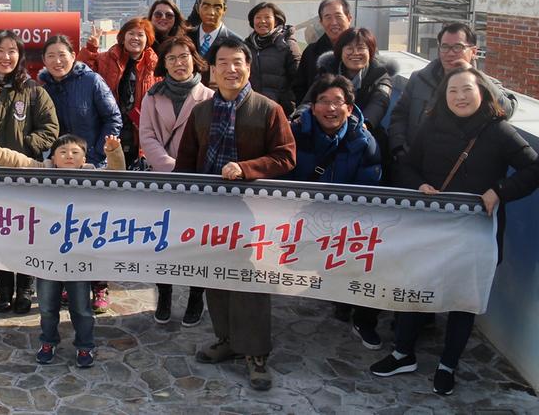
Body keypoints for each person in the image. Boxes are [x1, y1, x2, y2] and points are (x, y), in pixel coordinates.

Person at [371, 67, 538, 396]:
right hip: (431, 228)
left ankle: (448, 365)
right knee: (415, 289)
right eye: (453, 91)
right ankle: (403, 352)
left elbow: (534, 167)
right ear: (443, 97)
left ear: (483, 93)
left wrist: (500, 191)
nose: (460, 97)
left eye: (467, 90)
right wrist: (418, 184)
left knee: (463, 300)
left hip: (475, 233)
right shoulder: (431, 126)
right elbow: (405, 164)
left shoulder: (499, 131)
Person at [174, 36, 296, 392]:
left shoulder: (267, 109)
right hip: (210, 213)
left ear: (248, 66)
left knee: (251, 283)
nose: (230, 69)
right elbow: (185, 164)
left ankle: (256, 354)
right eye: (222, 63)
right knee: (217, 276)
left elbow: (286, 157)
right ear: (211, 70)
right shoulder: (201, 111)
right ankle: (226, 339)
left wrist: (247, 168)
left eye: (237, 62)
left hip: (254, 215)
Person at [0, 134, 126, 369]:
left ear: (84, 158)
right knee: (46, 306)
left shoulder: (92, 175)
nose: (68, 156)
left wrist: (114, 151)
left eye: (75, 152)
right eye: (62, 152)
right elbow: (16, 160)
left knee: (82, 308)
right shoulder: (41, 170)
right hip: (47, 257)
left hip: (78, 257)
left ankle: (85, 346)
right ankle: (47, 342)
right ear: (52, 157)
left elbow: (117, 174)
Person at [287, 74, 383, 350]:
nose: (330, 108)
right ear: (313, 106)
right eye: (323, 101)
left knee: (370, 252)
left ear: (349, 108)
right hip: (301, 213)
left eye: (338, 102)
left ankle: (363, 318)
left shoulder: (364, 142)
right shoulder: (295, 133)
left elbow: (370, 187)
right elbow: (282, 170)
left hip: (346, 217)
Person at [0, 30, 60, 315]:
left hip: (26, 176)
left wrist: (26, 146)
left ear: (19, 56)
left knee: (27, 233)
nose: (6, 56)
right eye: (0, 50)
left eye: (12, 51)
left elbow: (50, 129)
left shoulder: (33, 90)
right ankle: (4, 288)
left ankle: (25, 288)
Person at [138, 36, 214, 326]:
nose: (179, 63)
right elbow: (147, 136)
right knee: (163, 242)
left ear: (194, 59)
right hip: (164, 182)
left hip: (198, 183)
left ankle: (196, 296)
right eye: (171, 58)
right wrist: (172, 169)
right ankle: (165, 294)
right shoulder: (152, 96)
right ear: (163, 63)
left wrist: (189, 173)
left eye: (184, 57)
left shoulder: (209, 97)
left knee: (197, 243)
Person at [389, 22, 516, 161]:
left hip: (456, 170)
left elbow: (506, 110)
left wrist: (475, 76)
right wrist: (399, 149)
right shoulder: (419, 79)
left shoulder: (485, 84)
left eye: (458, 47)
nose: (450, 53)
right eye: (445, 47)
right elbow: (399, 115)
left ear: (473, 52)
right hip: (413, 162)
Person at [78, 17, 159, 168]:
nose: (135, 38)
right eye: (131, 33)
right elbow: (82, 72)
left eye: (140, 35)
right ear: (123, 37)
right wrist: (90, 48)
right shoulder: (106, 59)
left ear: (147, 39)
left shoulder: (154, 66)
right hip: (109, 127)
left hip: (139, 131)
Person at [38, 34, 122, 168]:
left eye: (62, 55)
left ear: (73, 56)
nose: (57, 61)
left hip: (93, 163)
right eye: (51, 56)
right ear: (44, 60)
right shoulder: (44, 90)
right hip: (60, 165)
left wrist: (98, 153)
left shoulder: (92, 81)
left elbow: (113, 118)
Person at [310, 28, 395, 132]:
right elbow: (311, 98)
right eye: (349, 48)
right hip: (327, 129)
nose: (355, 53)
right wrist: (299, 115)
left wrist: (364, 123)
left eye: (361, 48)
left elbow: (380, 103)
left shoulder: (380, 74)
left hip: (364, 131)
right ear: (340, 51)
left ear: (370, 51)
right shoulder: (328, 70)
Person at [244, 2, 301, 115]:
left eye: (267, 17)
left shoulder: (287, 45)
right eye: (258, 17)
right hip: (252, 109)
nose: (262, 21)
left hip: (280, 111)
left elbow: (299, 79)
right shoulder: (247, 45)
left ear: (276, 20)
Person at [295, 0, 352, 102]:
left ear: (349, 18)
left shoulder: (362, 51)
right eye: (328, 17)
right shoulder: (311, 52)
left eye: (338, 16)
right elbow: (299, 88)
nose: (334, 22)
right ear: (321, 22)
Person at [185, 0, 238, 84]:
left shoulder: (235, 42)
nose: (211, 12)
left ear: (224, 10)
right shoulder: (186, 37)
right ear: (197, 8)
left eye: (217, 8)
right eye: (206, 7)